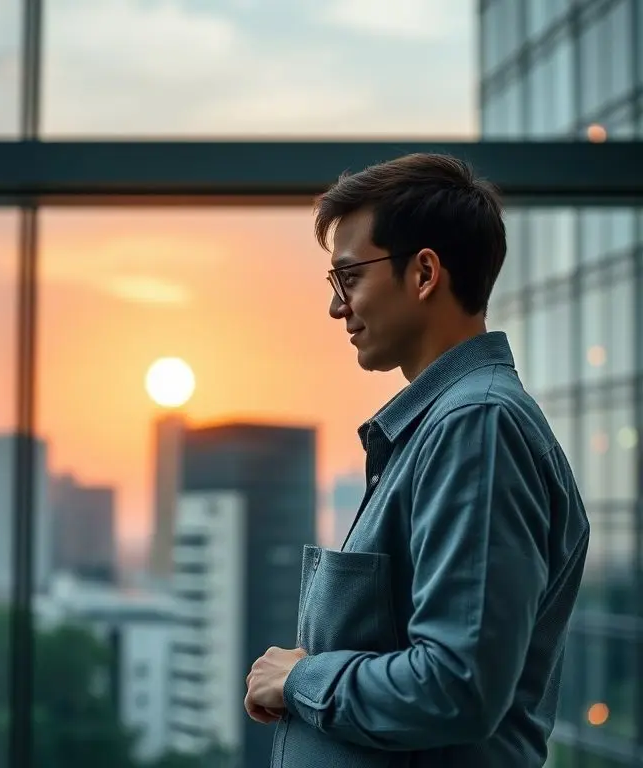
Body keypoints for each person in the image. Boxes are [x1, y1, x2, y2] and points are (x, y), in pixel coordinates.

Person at [244, 153, 590, 767]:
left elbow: (457, 686)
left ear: (424, 273)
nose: (335, 307)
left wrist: (301, 680)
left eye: (348, 279)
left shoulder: (477, 426)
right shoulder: (445, 427)